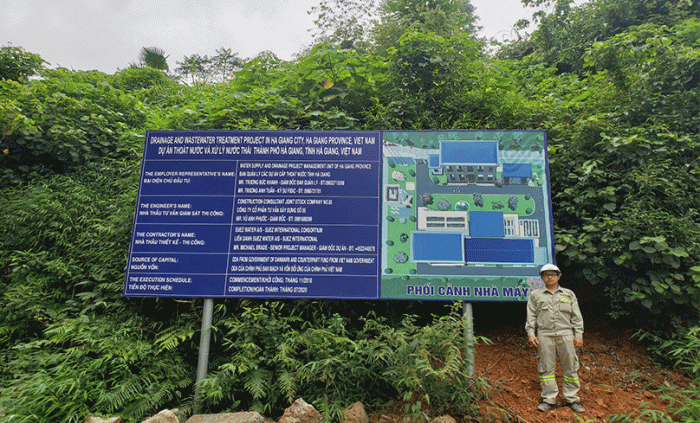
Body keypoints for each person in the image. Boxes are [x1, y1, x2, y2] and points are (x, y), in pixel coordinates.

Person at [526, 264, 585, 413]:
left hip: (566, 334)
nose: (549, 277)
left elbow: (576, 316)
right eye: (546, 275)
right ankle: (549, 399)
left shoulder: (568, 294)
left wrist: (578, 335)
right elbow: (531, 316)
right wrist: (531, 333)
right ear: (541, 278)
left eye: (553, 274)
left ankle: (572, 399)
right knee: (546, 368)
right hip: (544, 334)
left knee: (571, 367)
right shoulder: (535, 295)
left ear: (558, 276)